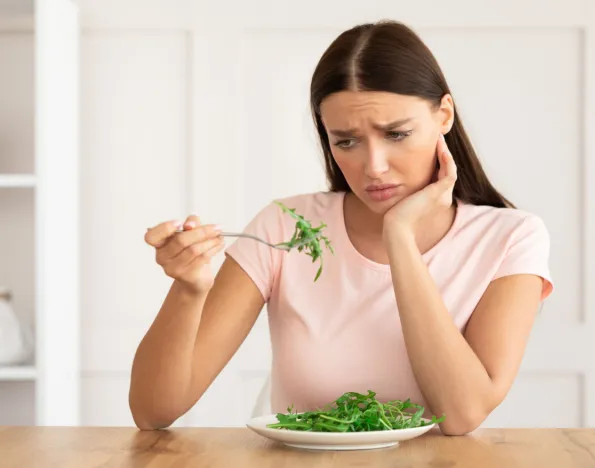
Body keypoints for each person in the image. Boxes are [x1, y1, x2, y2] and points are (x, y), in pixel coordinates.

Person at [129, 20, 553, 436]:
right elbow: (154, 411)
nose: (374, 167)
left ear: (443, 115)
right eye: (346, 141)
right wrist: (188, 290)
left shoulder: (510, 239)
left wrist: (400, 238)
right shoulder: (285, 226)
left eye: (397, 134)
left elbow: (462, 415)